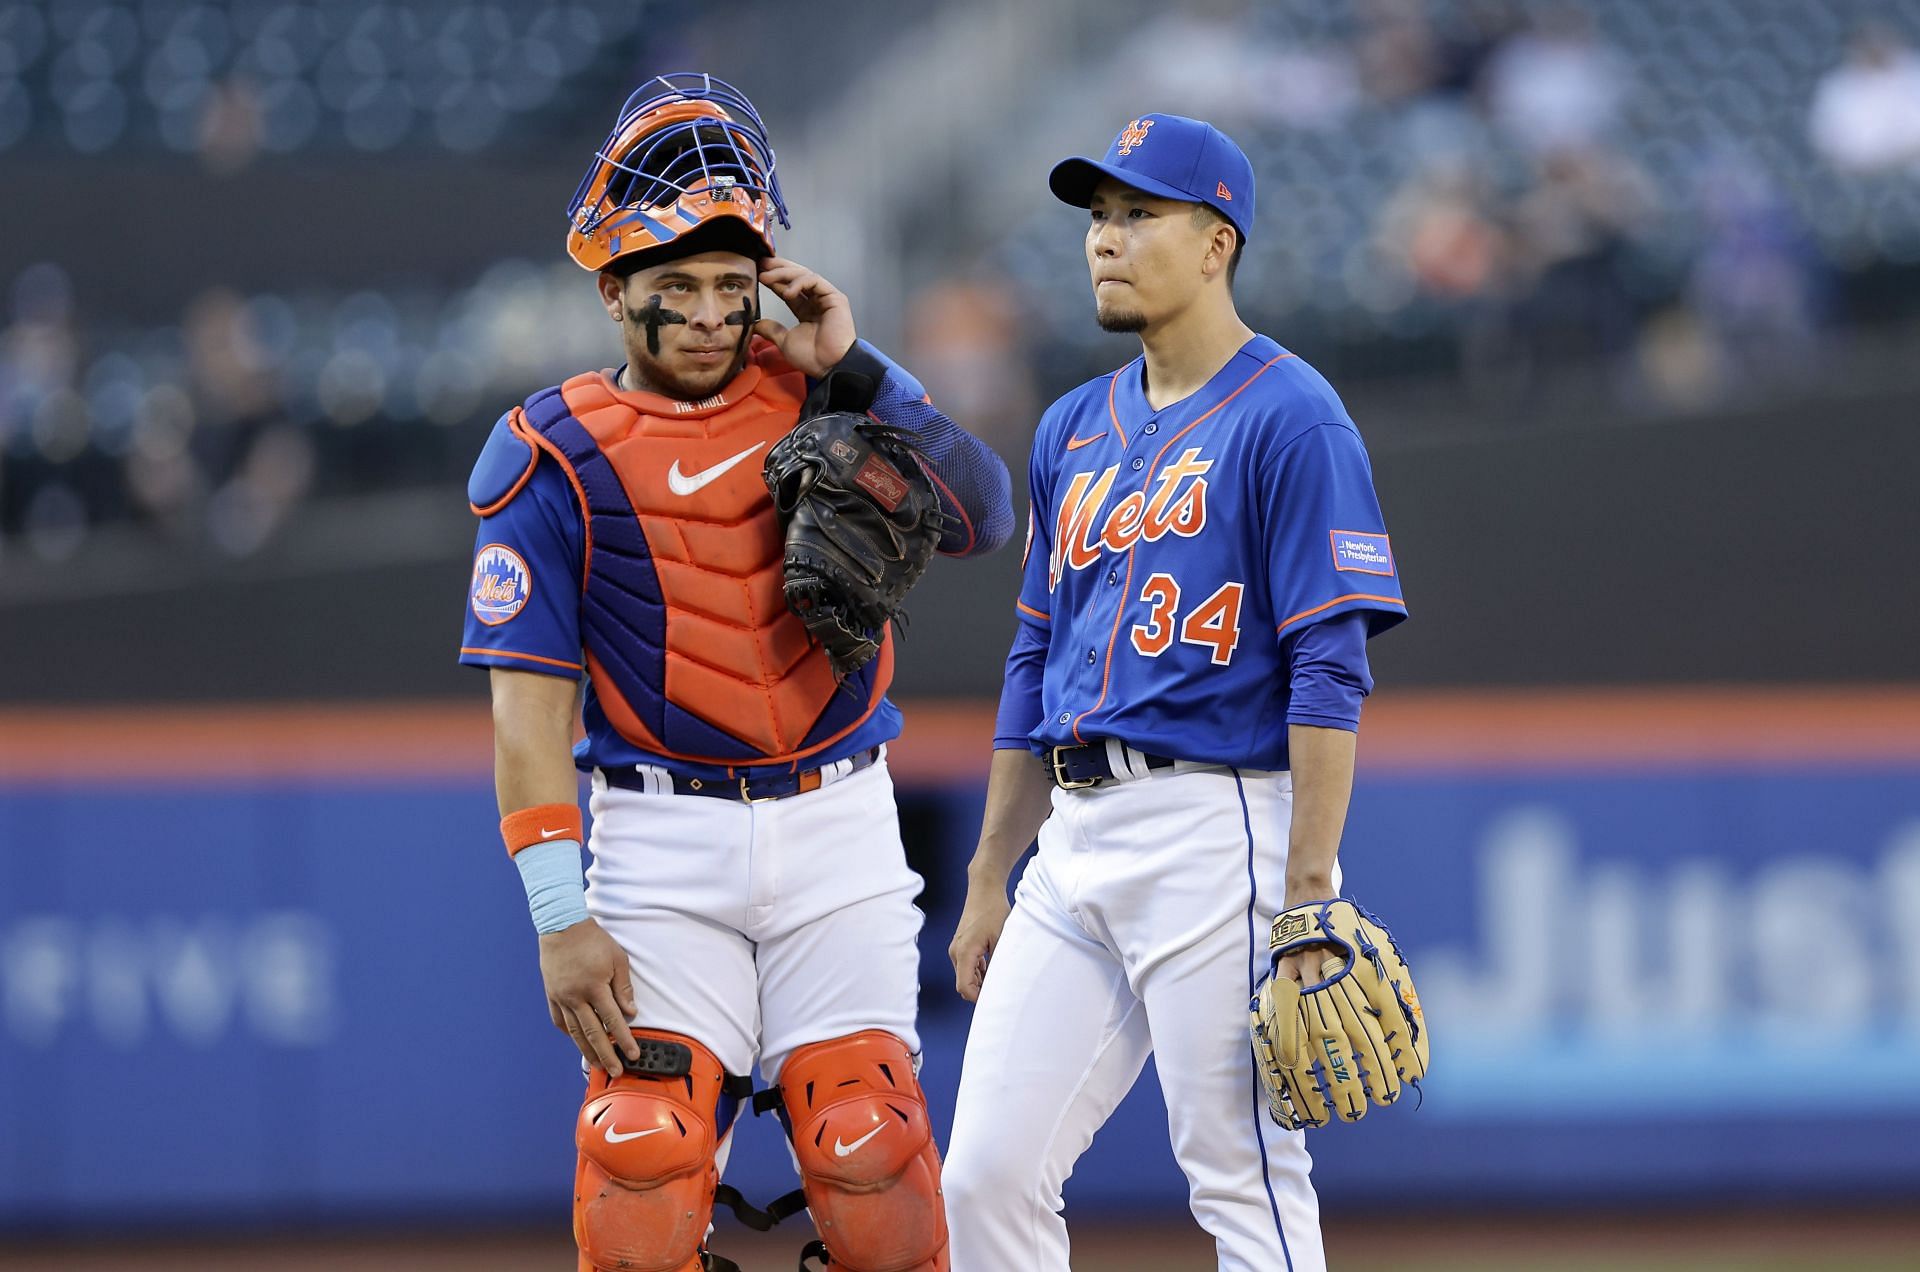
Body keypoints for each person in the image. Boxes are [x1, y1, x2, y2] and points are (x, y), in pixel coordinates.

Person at [458, 73, 1011, 1272]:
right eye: (677, 289)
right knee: (641, 1167)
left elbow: (986, 515)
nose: (712, 315)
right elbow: (527, 718)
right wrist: (562, 917)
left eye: (731, 284)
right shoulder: (549, 452)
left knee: (876, 1161)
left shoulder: (824, 390)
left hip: (840, 825)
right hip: (658, 844)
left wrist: (858, 364)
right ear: (613, 291)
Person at [942, 113, 1408, 1271]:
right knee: (983, 1177)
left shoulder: (1291, 416)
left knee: (1242, 1177)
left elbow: (1331, 666)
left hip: (1221, 827)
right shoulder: (1068, 429)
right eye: (1096, 216)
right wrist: (992, 873)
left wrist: (1308, 893)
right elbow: (1031, 662)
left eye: (1137, 213)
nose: (1104, 239)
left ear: (1216, 241)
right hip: (1074, 836)